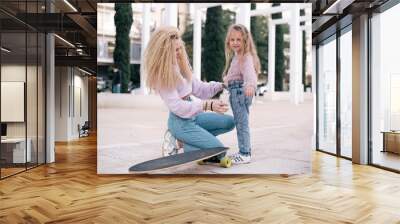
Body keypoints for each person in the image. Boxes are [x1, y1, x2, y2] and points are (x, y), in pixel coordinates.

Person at [143, 26, 235, 163]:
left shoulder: (182, 66)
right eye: (175, 50)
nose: (179, 53)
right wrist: (207, 105)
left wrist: (222, 85)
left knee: (230, 122)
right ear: (165, 52)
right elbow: (178, 107)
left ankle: (184, 142)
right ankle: (182, 141)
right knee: (220, 151)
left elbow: (201, 89)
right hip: (180, 122)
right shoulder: (163, 76)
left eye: (180, 48)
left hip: (193, 117)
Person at [222, 24, 261, 164]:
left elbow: (249, 73)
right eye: (232, 40)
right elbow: (234, 74)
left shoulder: (245, 57)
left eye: (239, 40)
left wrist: (250, 84)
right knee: (241, 122)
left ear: (245, 41)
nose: (235, 43)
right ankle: (243, 152)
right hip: (236, 92)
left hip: (239, 93)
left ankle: (245, 153)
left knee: (241, 123)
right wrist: (226, 80)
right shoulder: (237, 57)